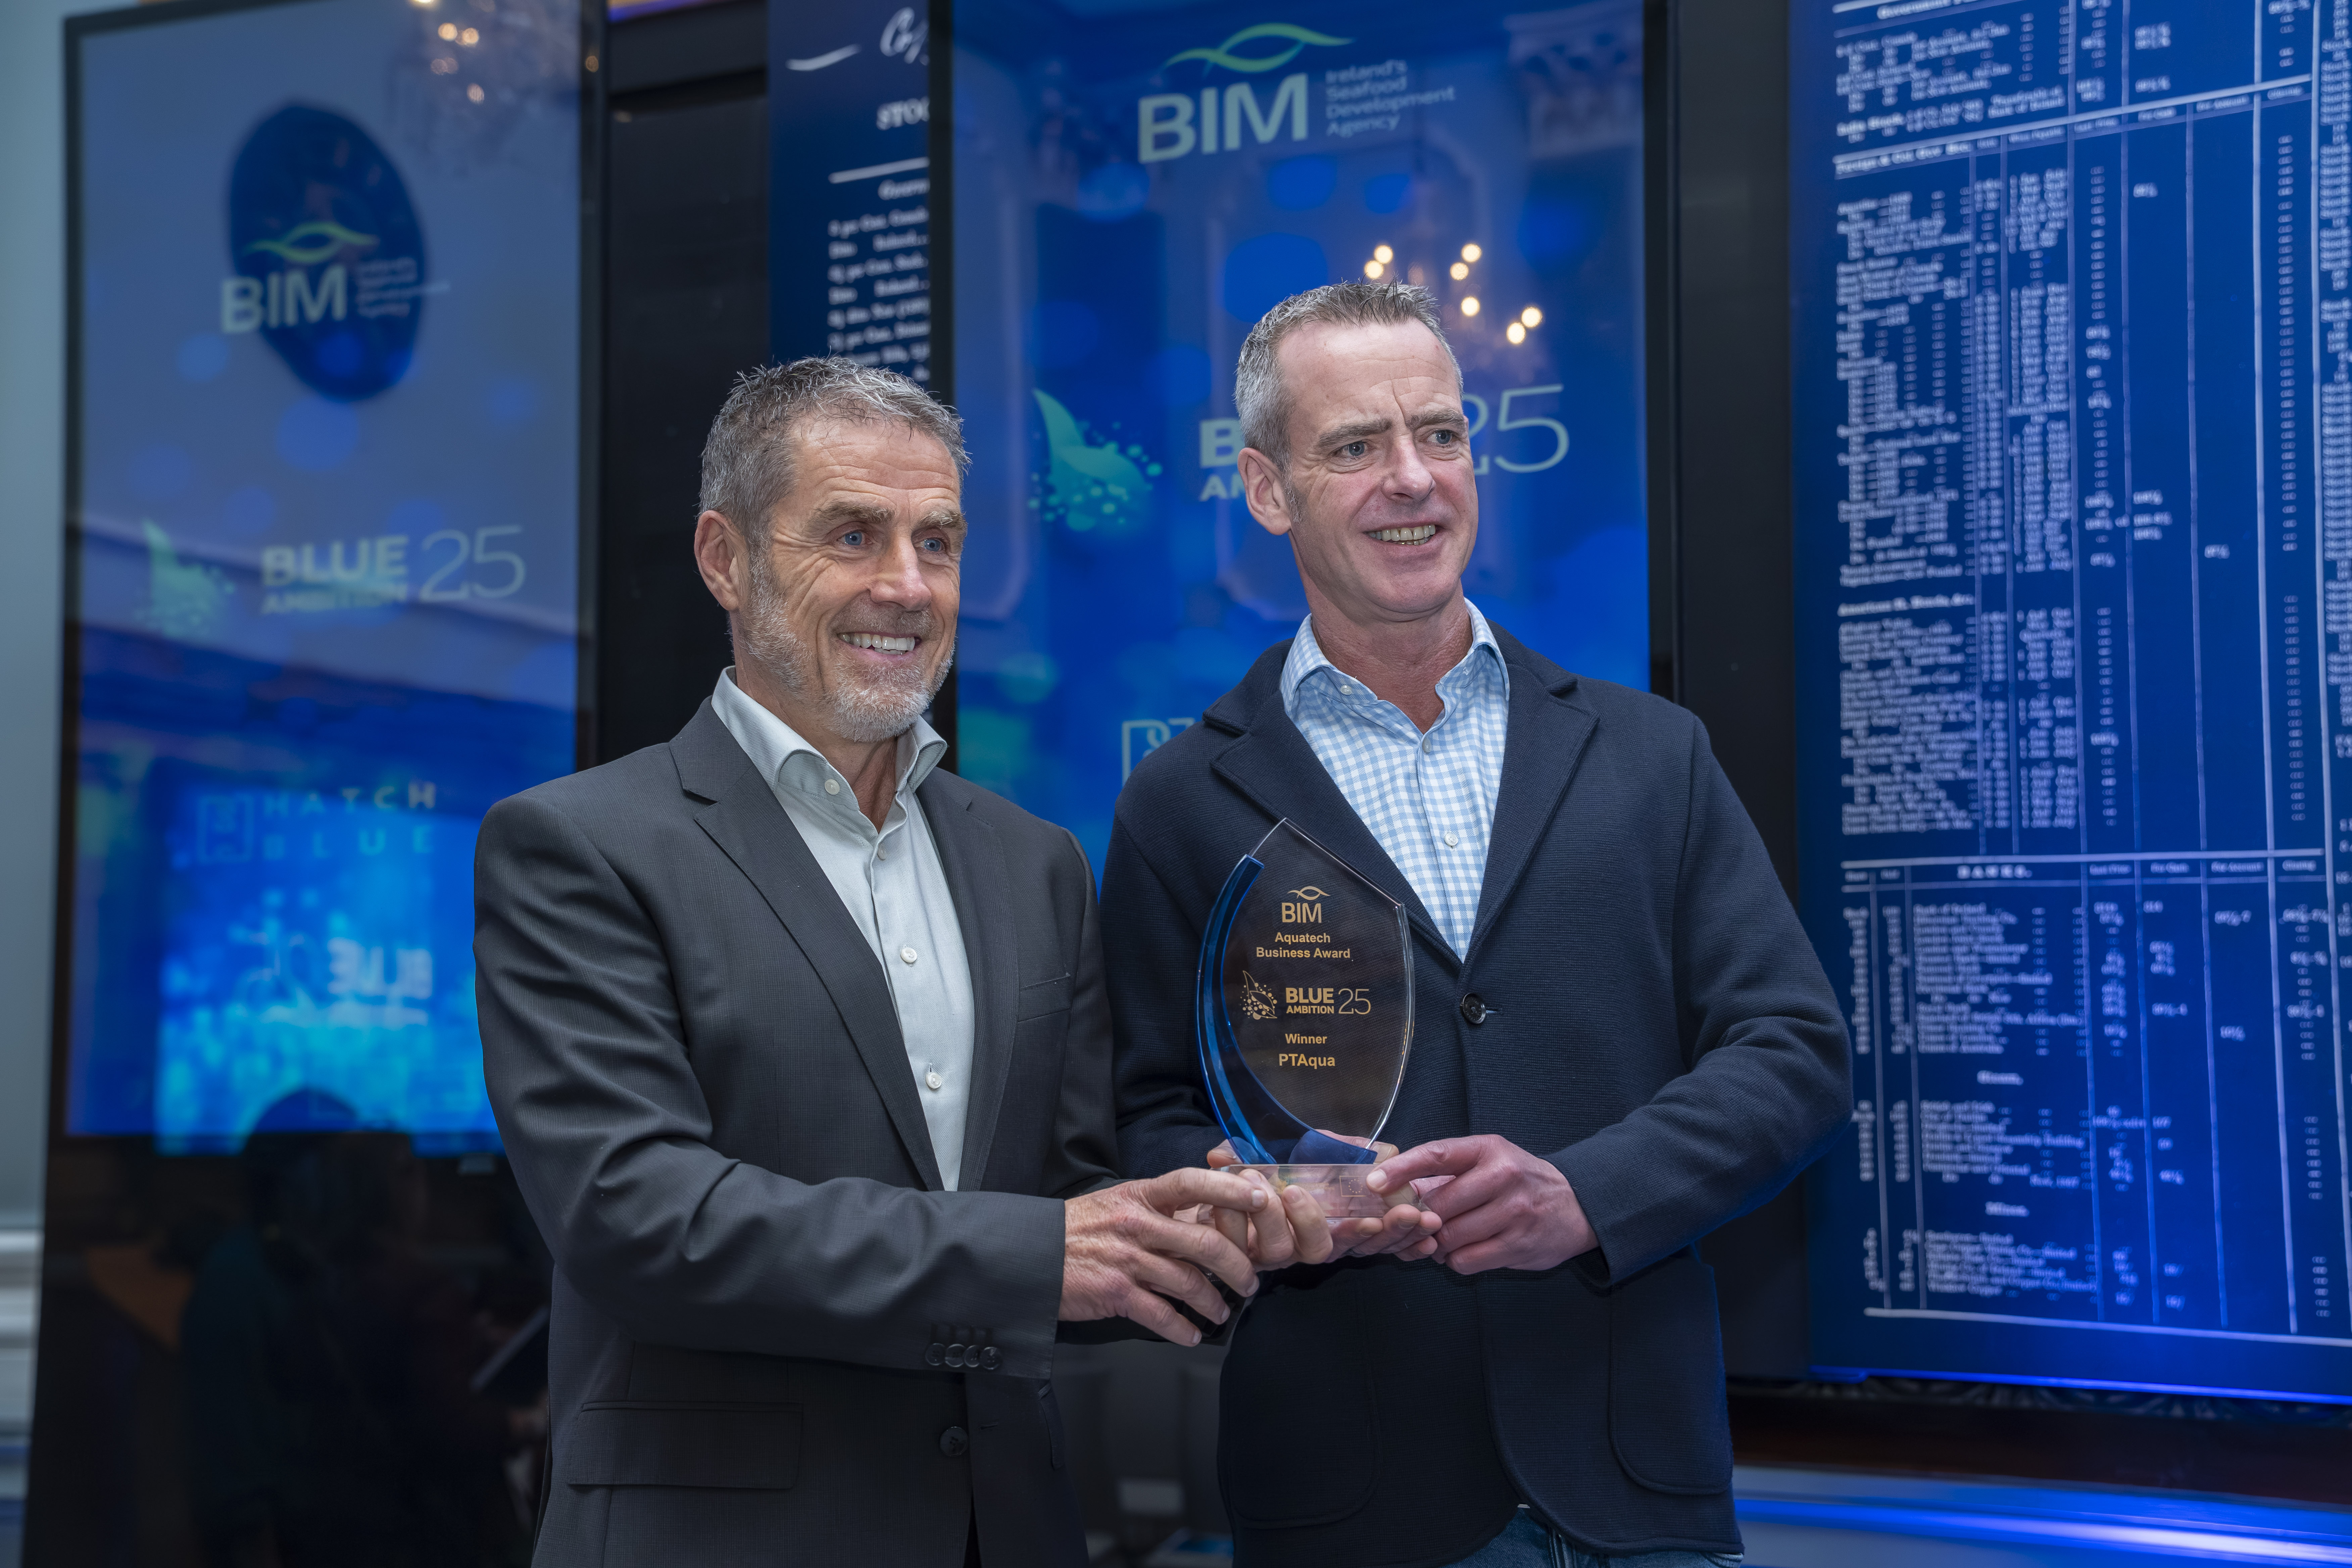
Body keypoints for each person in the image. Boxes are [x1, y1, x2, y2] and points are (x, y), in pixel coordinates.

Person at [474, 359, 1272, 1568]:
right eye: (854, 535)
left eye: (937, 542)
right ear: (725, 559)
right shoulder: (579, 846)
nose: (905, 585)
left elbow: (1068, 1209)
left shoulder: (1037, 864)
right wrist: (1043, 1256)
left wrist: (1213, 1223)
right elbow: (637, 1219)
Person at [1106, 284, 1851, 1568]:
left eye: (1441, 434)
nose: (1413, 478)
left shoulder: (1652, 754)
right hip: (1349, 1501)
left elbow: (1794, 1052)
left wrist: (1587, 1195)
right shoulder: (1179, 802)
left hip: (1635, 1482)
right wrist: (1271, 1200)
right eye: (1355, 446)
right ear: (1268, 490)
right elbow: (1148, 1120)